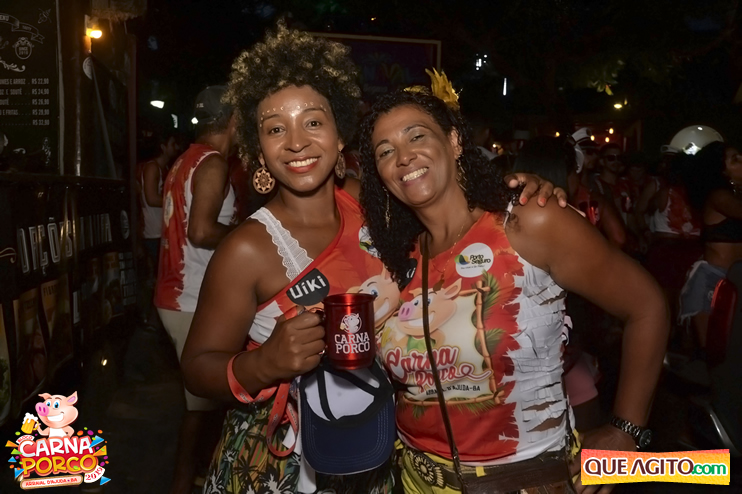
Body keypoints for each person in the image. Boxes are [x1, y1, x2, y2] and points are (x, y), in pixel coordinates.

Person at [179, 25, 566, 494]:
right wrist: (263, 363)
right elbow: (196, 368)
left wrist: (522, 189)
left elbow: (452, 207)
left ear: (340, 133)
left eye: (313, 122)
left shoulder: (377, 207)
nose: (297, 142)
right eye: (276, 129)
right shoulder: (247, 248)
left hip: (382, 447)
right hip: (282, 461)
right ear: (258, 149)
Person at [358, 88, 669, 493]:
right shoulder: (398, 257)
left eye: (417, 136)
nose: (403, 157)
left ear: (454, 141)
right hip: (416, 481)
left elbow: (647, 306)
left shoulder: (527, 223)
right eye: (385, 151)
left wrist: (626, 430)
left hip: (526, 479)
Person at [155, 85, 238, 494]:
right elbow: (202, 231)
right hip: (190, 297)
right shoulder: (213, 163)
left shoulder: (186, 159)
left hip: (177, 294)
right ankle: (183, 483)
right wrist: (249, 235)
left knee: (205, 404)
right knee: (203, 405)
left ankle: (198, 476)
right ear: (235, 120)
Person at [680, 141, 742, 351]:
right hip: (714, 283)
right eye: (735, 160)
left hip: (737, 279)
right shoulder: (719, 196)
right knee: (715, 351)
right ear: (721, 171)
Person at [136, 130, 182, 328]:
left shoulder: (165, 168)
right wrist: (177, 201)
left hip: (160, 231)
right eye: (172, 144)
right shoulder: (152, 167)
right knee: (156, 278)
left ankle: (155, 320)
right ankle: (151, 320)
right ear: (163, 147)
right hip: (152, 231)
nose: (176, 148)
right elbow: (151, 198)